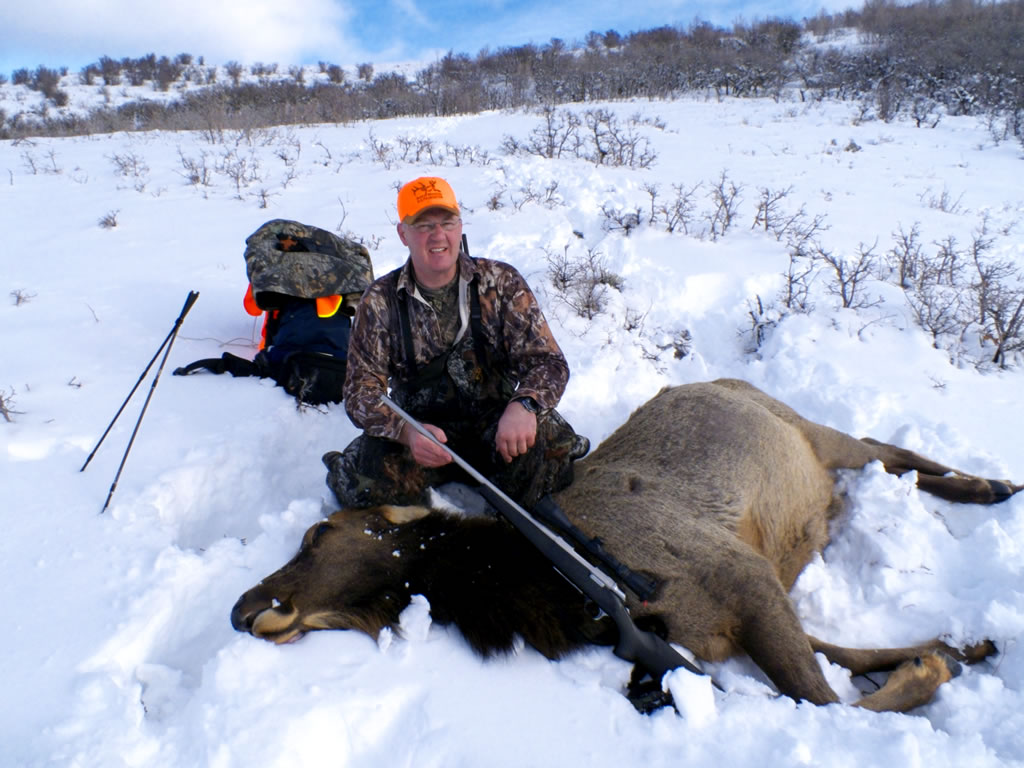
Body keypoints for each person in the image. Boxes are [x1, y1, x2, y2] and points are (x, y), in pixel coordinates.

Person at [323, 176, 588, 510]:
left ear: (459, 226)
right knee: (366, 485)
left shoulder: (501, 282)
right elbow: (361, 393)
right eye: (424, 225)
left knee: (546, 448)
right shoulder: (379, 300)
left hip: (500, 426)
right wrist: (407, 433)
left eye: (447, 222)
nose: (438, 235)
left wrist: (525, 406)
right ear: (403, 233)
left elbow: (548, 363)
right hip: (424, 435)